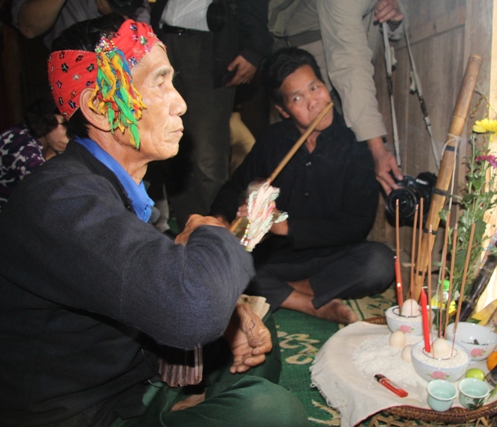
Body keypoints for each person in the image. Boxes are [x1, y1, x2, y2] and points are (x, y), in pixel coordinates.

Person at [0, 15, 307, 427]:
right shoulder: (59, 199)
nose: (180, 103)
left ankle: (189, 401)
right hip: (84, 414)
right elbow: (192, 307)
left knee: (251, 328)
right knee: (270, 411)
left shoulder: (108, 186)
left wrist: (226, 313)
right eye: (159, 83)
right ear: (100, 108)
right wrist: (210, 230)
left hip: (131, 383)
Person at [210, 47, 395, 325]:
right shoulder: (273, 140)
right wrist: (222, 220)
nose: (313, 103)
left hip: (333, 257)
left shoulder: (354, 142)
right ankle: (308, 303)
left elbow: (356, 223)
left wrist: (285, 226)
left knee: (380, 263)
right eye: (297, 98)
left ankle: (288, 292)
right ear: (283, 110)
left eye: (315, 88)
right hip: (278, 258)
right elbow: (234, 187)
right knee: (223, 259)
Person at [148, 0, 272, 229]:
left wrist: (255, 47)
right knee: (171, 155)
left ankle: (216, 237)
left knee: (208, 160)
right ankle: (189, 235)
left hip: (209, 42)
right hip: (163, 38)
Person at [272, 0, 407, 194]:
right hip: (309, 67)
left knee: (350, 169)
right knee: (302, 173)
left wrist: (395, 14)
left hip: (346, 71)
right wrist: (378, 149)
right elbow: (350, 67)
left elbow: (402, 22)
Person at [0, 97, 68, 211]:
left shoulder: (51, 143)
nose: (70, 134)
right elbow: (49, 189)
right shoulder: (19, 144)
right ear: (46, 117)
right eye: (65, 124)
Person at [12, 0, 151, 49]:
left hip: (120, 76)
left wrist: (115, 14)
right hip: (68, 75)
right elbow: (28, 28)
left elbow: (144, 43)